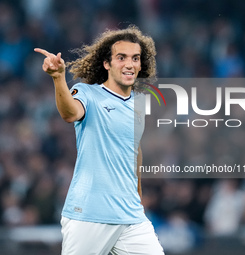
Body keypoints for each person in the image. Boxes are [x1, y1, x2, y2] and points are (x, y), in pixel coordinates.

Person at [35, 25, 164, 255]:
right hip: (90, 214)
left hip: (131, 216)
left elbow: (134, 152)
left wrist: (138, 200)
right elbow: (70, 113)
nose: (129, 64)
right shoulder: (87, 93)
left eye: (135, 58)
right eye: (121, 57)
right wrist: (58, 78)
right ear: (107, 63)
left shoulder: (139, 103)